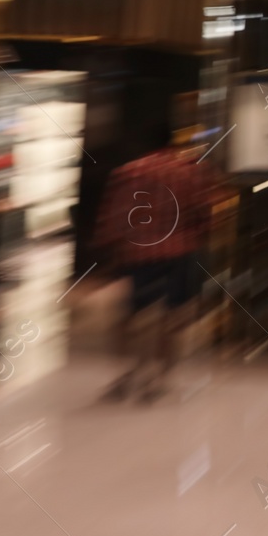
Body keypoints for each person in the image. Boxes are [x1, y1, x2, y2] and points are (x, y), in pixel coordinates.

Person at [93, 94, 222, 403]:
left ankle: (129, 373)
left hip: (139, 255)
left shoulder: (129, 172)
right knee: (172, 319)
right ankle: (158, 380)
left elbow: (115, 216)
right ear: (172, 141)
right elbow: (204, 211)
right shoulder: (189, 170)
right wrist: (200, 237)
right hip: (180, 254)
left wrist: (109, 249)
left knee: (132, 316)